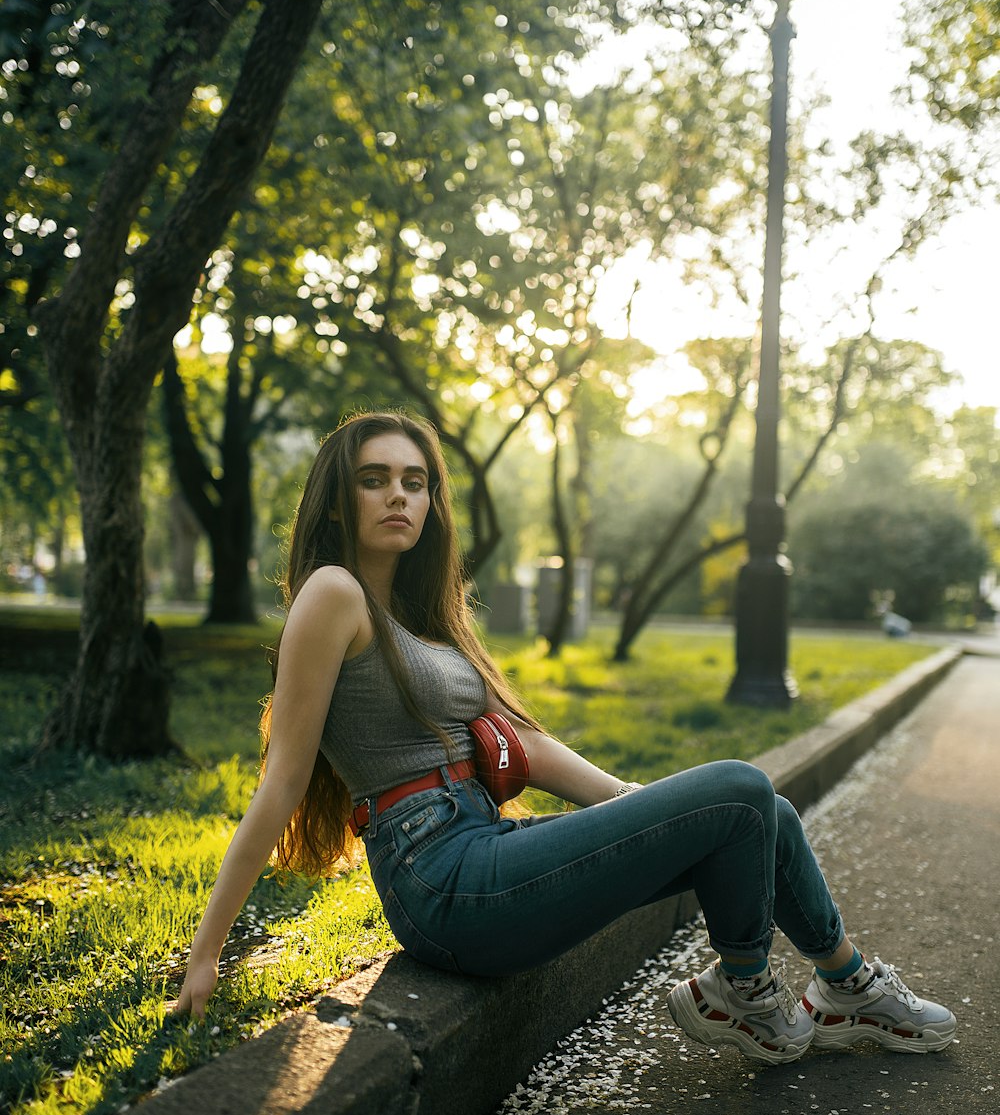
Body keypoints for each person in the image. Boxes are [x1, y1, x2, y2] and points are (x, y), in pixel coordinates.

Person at [172, 411, 956, 1064]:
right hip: (443, 882)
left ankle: (845, 986)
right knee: (744, 787)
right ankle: (742, 991)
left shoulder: (422, 617)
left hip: (484, 847)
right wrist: (209, 952)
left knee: (762, 813)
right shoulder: (333, 594)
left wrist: (639, 806)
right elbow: (281, 780)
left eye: (415, 482)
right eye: (374, 480)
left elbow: (522, 744)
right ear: (337, 501)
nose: (398, 497)